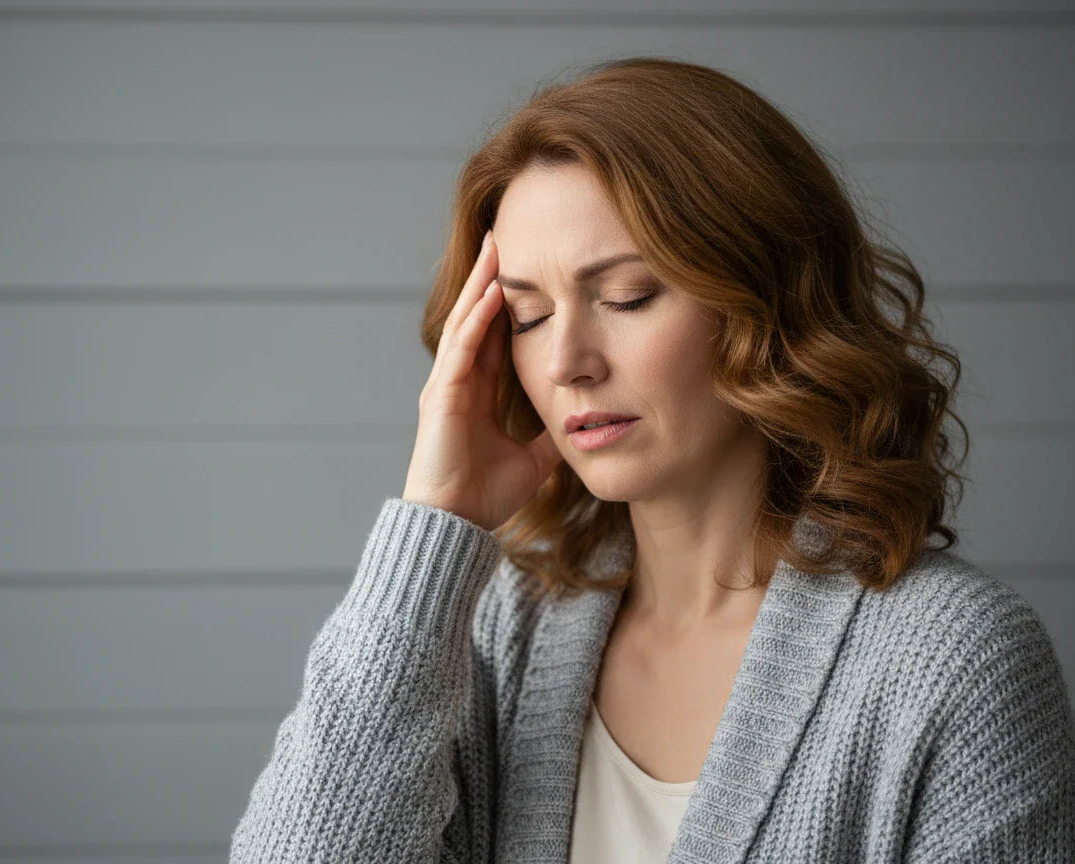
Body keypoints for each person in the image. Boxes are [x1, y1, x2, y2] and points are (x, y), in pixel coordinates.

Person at [229, 57, 1075, 863]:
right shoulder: (497, 633)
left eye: (626, 296)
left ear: (766, 301)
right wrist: (434, 521)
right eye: (527, 317)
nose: (566, 362)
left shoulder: (952, 658)